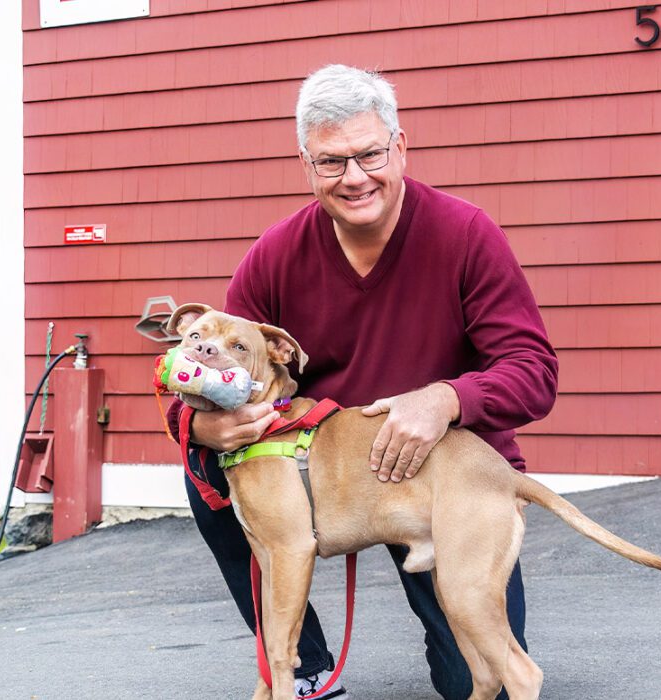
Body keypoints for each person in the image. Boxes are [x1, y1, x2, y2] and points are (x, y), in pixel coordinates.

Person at [166, 64, 558, 700]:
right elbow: (210, 373)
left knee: (478, 680)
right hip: (315, 475)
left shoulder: (465, 234)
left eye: (370, 154)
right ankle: (302, 669)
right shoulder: (274, 256)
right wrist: (205, 424)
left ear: (399, 147)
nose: (354, 177)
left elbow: (534, 372)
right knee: (206, 467)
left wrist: (448, 398)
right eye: (331, 162)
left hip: (434, 476)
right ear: (307, 165)